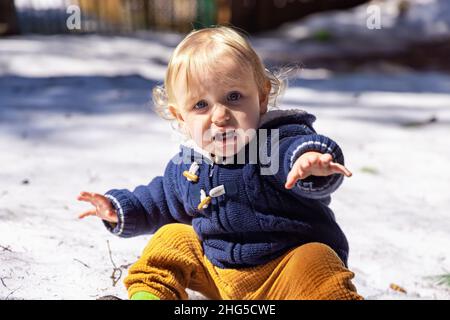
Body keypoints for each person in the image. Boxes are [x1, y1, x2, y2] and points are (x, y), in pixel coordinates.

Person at [77, 26, 363, 300]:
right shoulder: (188, 164)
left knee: (316, 259)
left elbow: (291, 151)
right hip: (217, 275)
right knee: (172, 237)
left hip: (284, 274)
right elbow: (159, 199)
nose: (220, 116)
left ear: (262, 98)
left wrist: (308, 161)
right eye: (201, 105)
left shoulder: (275, 140)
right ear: (180, 117)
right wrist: (120, 208)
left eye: (234, 97)